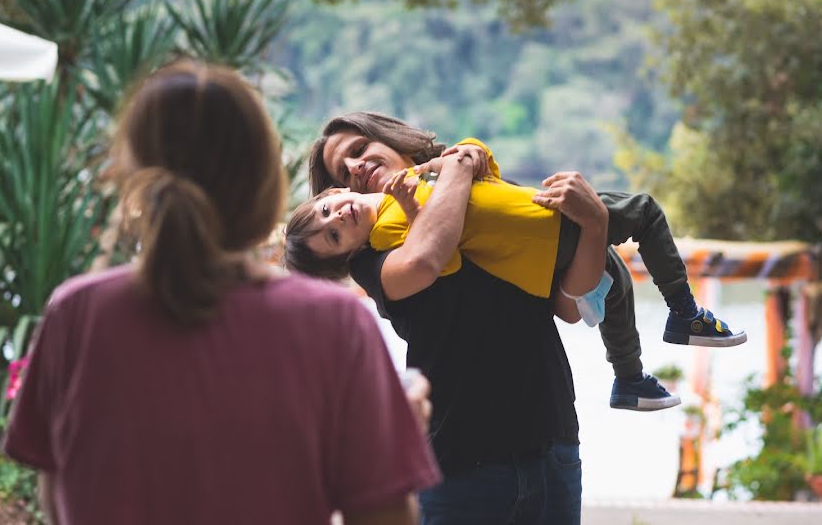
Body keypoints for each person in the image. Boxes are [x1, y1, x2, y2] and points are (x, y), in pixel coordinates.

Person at [1, 63, 440, 525]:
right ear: (265, 183)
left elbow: (56, 491)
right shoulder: (334, 324)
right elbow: (381, 517)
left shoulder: (77, 313)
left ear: (129, 173)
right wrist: (399, 433)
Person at [304, 111, 616, 525]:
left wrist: (595, 225)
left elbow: (569, 307)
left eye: (359, 150)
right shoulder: (372, 253)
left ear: (393, 140)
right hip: (461, 465)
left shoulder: (487, 193)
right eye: (342, 174)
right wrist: (461, 164)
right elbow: (427, 257)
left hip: (551, 442)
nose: (356, 168)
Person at [286, 136, 745, 410]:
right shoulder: (387, 237)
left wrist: (463, 155)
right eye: (331, 236)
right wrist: (425, 197)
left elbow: (485, 170)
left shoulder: (415, 183)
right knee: (643, 210)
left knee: (618, 280)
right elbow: (440, 259)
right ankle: (684, 313)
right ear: (346, 255)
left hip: (547, 217)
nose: (336, 218)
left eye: (326, 210)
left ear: (333, 194)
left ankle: (629, 378)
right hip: (546, 239)